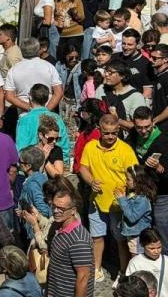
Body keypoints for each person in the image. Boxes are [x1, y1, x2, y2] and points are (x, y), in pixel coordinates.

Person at [80, 114, 139, 283]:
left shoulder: (126, 150)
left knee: (120, 240)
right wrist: (91, 181)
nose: (110, 137)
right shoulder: (90, 147)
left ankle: (123, 271)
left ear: (118, 130)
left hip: (118, 204)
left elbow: (134, 175)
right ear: (99, 130)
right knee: (96, 237)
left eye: (114, 133)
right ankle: (96, 269)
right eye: (106, 133)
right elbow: (83, 168)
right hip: (96, 201)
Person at [47, 183, 95, 297]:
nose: (56, 211)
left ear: (73, 210)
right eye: (54, 206)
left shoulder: (78, 240)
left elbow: (83, 278)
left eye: (61, 208)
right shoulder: (58, 227)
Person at [126, 229, 168, 297]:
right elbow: (130, 288)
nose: (156, 251)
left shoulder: (166, 261)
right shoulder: (135, 263)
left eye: (159, 247)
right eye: (152, 248)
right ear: (142, 245)